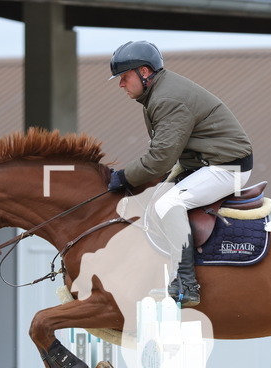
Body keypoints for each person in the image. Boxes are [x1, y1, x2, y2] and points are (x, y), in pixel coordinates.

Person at [107, 41, 253, 307]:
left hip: (226, 167)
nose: (120, 84)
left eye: (124, 77)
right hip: (201, 163)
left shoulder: (167, 99)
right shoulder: (157, 94)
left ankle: (187, 282)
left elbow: (160, 159)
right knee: (151, 202)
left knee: (168, 204)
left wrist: (123, 177)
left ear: (144, 72)